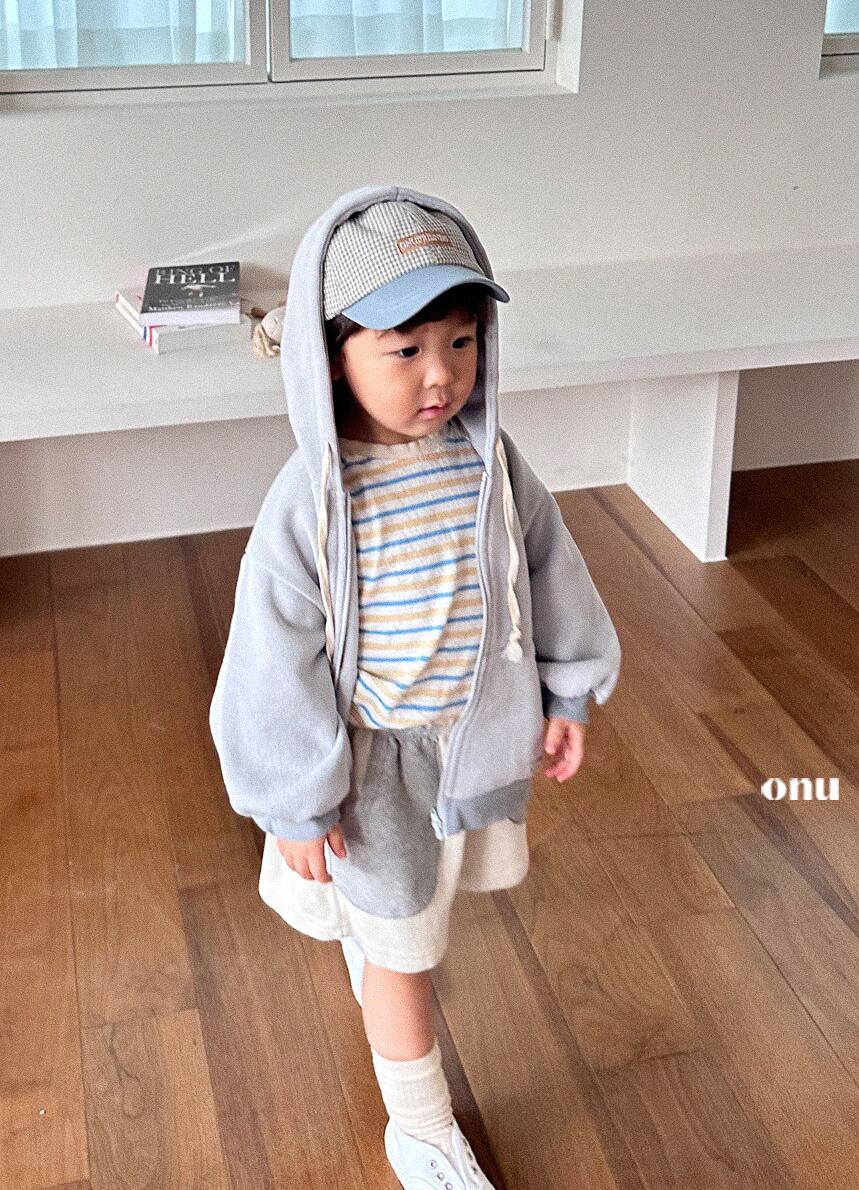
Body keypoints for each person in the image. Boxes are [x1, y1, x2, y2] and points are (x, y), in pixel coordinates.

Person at [208, 184, 621, 1189]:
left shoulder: (490, 461)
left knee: (416, 914)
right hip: (372, 774)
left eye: (462, 341)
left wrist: (567, 690)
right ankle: (422, 1129)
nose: (441, 374)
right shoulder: (313, 499)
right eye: (404, 350)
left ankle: (375, 934)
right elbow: (271, 658)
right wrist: (298, 798)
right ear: (330, 355)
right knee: (407, 959)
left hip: (471, 738)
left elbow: (549, 571)